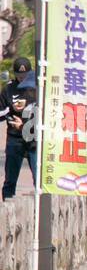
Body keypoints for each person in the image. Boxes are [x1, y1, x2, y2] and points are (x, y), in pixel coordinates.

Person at [0, 57, 38, 202]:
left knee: (38, 177)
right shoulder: (9, 89)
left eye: (25, 75)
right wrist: (11, 109)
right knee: (10, 179)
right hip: (15, 138)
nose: (22, 78)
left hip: (34, 138)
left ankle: (39, 209)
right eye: (19, 75)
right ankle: (7, 207)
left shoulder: (37, 87)